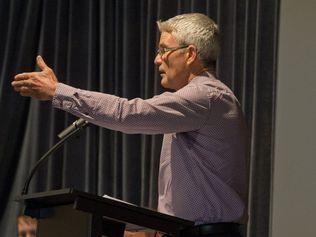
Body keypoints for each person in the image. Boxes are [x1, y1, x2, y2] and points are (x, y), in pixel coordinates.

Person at [12, 13, 248, 237]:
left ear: (190, 54)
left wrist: (58, 92)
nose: (157, 59)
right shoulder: (199, 102)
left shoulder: (205, 97)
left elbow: (128, 113)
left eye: (164, 50)